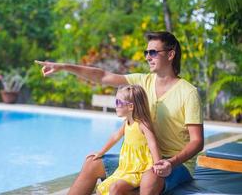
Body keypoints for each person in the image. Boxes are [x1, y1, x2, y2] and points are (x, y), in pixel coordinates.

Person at [35, 31, 204, 195]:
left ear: (170, 54)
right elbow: (102, 76)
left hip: (175, 163)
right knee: (92, 163)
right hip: (140, 159)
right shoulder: (142, 81)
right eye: (146, 52)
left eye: (153, 52)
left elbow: (197, 142)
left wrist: (170, 162)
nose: (147, 57)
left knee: (149, 178)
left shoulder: (188, 93)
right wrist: (64, 67)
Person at [92, 85, 161, 195]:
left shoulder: (142, 124)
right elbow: (115, 137)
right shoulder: (126, 123)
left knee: (114, 188)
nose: (116, 107)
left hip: (139, 170)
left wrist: (158, 164)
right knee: (101, 189)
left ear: (130, 107)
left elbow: (153, 143)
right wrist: (101, 152)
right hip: (125, 169)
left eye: (118, 103)